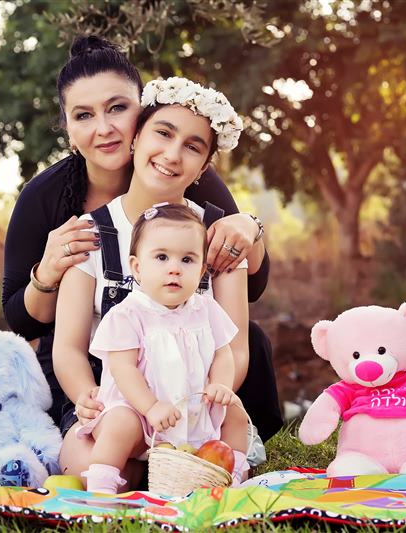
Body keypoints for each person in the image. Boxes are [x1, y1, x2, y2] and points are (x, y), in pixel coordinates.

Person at [1, 36, 280, 443]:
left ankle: (242, 435)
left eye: (117, 108)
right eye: (83, 115)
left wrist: (249, 227)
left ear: (141, 110)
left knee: (244, 335)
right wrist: (47, 272)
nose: (104, 128)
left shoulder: (187, 175)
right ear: (68, 130)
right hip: (101, 363)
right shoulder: (48, 199)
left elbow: (246, 285)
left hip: (189, 364)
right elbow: (22, 321)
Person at [54, 76, 258, 489]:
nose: (172, 154)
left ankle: (203, 470)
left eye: (192, 147)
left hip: (194, 409)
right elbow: (68, 347)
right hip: (117, 403)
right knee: (91, 467)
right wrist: (85, 397)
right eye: (163, 133)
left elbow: (235, 348)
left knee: (207, 460)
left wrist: (210, 395)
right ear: (135, 139)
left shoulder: (216, 235)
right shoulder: (93, 233)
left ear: (204, 167)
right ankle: (129, 473)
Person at [77, 204, 250, 493]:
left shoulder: (206, 308)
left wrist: (220, 385)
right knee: (120, 423)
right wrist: (150, 407)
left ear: (202, 270)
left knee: (234, 411)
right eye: (161, 257)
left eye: (187, 259)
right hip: (140, 416)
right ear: (137, 267)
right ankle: (101, 490)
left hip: (193, 412)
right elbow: (123, 369)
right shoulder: (128, 314)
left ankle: (232, 477)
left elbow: (223, 353)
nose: (174, 268)